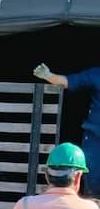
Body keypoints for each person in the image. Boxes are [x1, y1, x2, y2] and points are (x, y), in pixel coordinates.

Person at [34, 63, 100, 194]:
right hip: (95, 138)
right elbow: (68, 81)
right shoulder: (96, 74)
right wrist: (48, 75)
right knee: (92, 181)